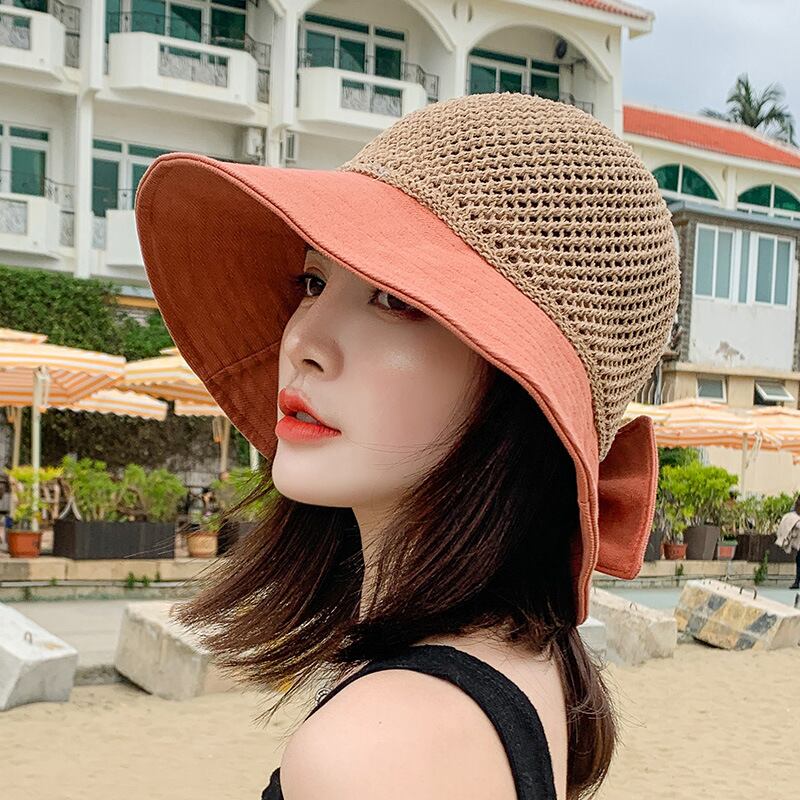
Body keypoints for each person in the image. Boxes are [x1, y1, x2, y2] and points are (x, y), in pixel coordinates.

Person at [134, 93, 680, 800]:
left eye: (395, 300)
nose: (302, 340)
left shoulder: (375, 750)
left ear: (518, 390)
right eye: (313, 282)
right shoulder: (524, 656)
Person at [775, 495, 800, 590]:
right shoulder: (795, 507)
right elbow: (792, 513)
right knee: (799, 559)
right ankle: (797, 582)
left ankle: (797, 582)